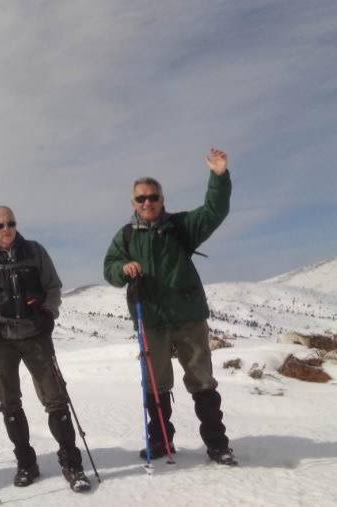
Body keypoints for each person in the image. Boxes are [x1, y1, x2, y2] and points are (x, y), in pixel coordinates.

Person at [103, 148, 237, 466]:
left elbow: (214, 211)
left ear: (162, 199)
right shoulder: (125, 236)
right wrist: (123, 268)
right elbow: (109, 268)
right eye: (141, 198)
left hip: (188, 316)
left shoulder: (180, 226)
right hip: (150, 320)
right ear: (134, 203)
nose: (147, 202)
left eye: (153, 197)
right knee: (155, 383)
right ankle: (161, 440)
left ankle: (217, 444)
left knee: (202, 380)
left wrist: (219, 176)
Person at [0, 206, 91, 493]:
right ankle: (26, 463)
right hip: (1, 340)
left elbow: (53, 287)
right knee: (8, 402)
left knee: (56, 398)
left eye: (10, 223)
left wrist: (48, 312)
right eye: (0, 225)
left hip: (36, 334)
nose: (6, 229)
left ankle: (72, 463)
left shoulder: (35, 252)